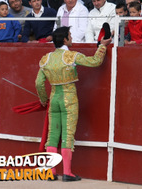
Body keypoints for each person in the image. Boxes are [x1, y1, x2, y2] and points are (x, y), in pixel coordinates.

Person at [35, 26, 111, 182]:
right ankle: (67, 172)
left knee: (53, 135)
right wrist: (102, 46)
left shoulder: (46, 59)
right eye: (69, 35)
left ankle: (51, 171)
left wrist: (44, 99)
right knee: (67, 135)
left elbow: (39, 83)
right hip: (69, 99)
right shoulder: (71, 56)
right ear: (64, 39)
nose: (71, 37)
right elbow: (95, 61)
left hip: (54, 97)